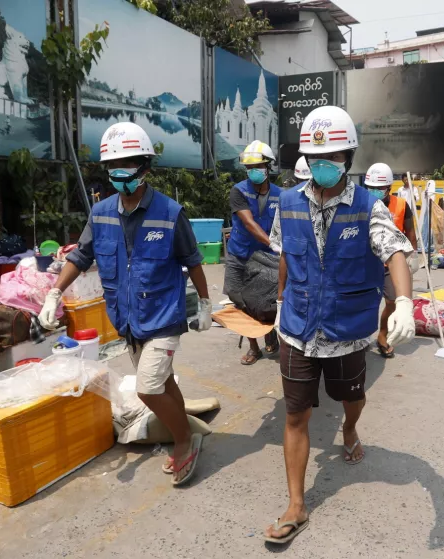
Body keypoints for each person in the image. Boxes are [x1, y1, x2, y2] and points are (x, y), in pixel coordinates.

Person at [263, 106, 416, 544]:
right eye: (315, 158)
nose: (323, 164)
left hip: (345, 332)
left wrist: (404, 302)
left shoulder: (369, 206)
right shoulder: (287, 202)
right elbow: (286, 255)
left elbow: (395, 253)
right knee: (296, 414)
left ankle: (349, 427)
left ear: (348, 157)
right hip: (297, 328)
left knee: (352, 397)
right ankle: (296, 504)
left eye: (332, 156)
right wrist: (279, 301)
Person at [39, 122, 212, 487]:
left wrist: (205, 303)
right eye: (113, 165)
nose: (119, 172)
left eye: (127, 164)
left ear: (145, 166)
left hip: (163, 318)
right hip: (127, 320)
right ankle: (181, 430)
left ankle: (184, 440)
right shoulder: (101, 213)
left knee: (147, 388)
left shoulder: (169, 212)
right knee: (163, 382)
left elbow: (193, 260)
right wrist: (54, 293)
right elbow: (81, 256)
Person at [225, 141, 282, 365]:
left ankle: (269, 333)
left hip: (267, 259)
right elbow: (249, 223)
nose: (253, 171)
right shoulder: (238, 191)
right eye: (249, 167)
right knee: (240, 299)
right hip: (240, 255)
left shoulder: (280, 195)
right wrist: (274, 244)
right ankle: (253, 347)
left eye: (257, 166)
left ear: (268, 166)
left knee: (268, 299)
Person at [365, 162, 419, 358]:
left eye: (379, 187)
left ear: (389, 187)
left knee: (392, 302)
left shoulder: (402, 205)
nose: (375, 191)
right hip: (367, 262)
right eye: (371, 187)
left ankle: (382, 334)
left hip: (391, 263)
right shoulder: (361, 204)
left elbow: (410, 233)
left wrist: (412, 256)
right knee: (363, 302)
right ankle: (360, 335)